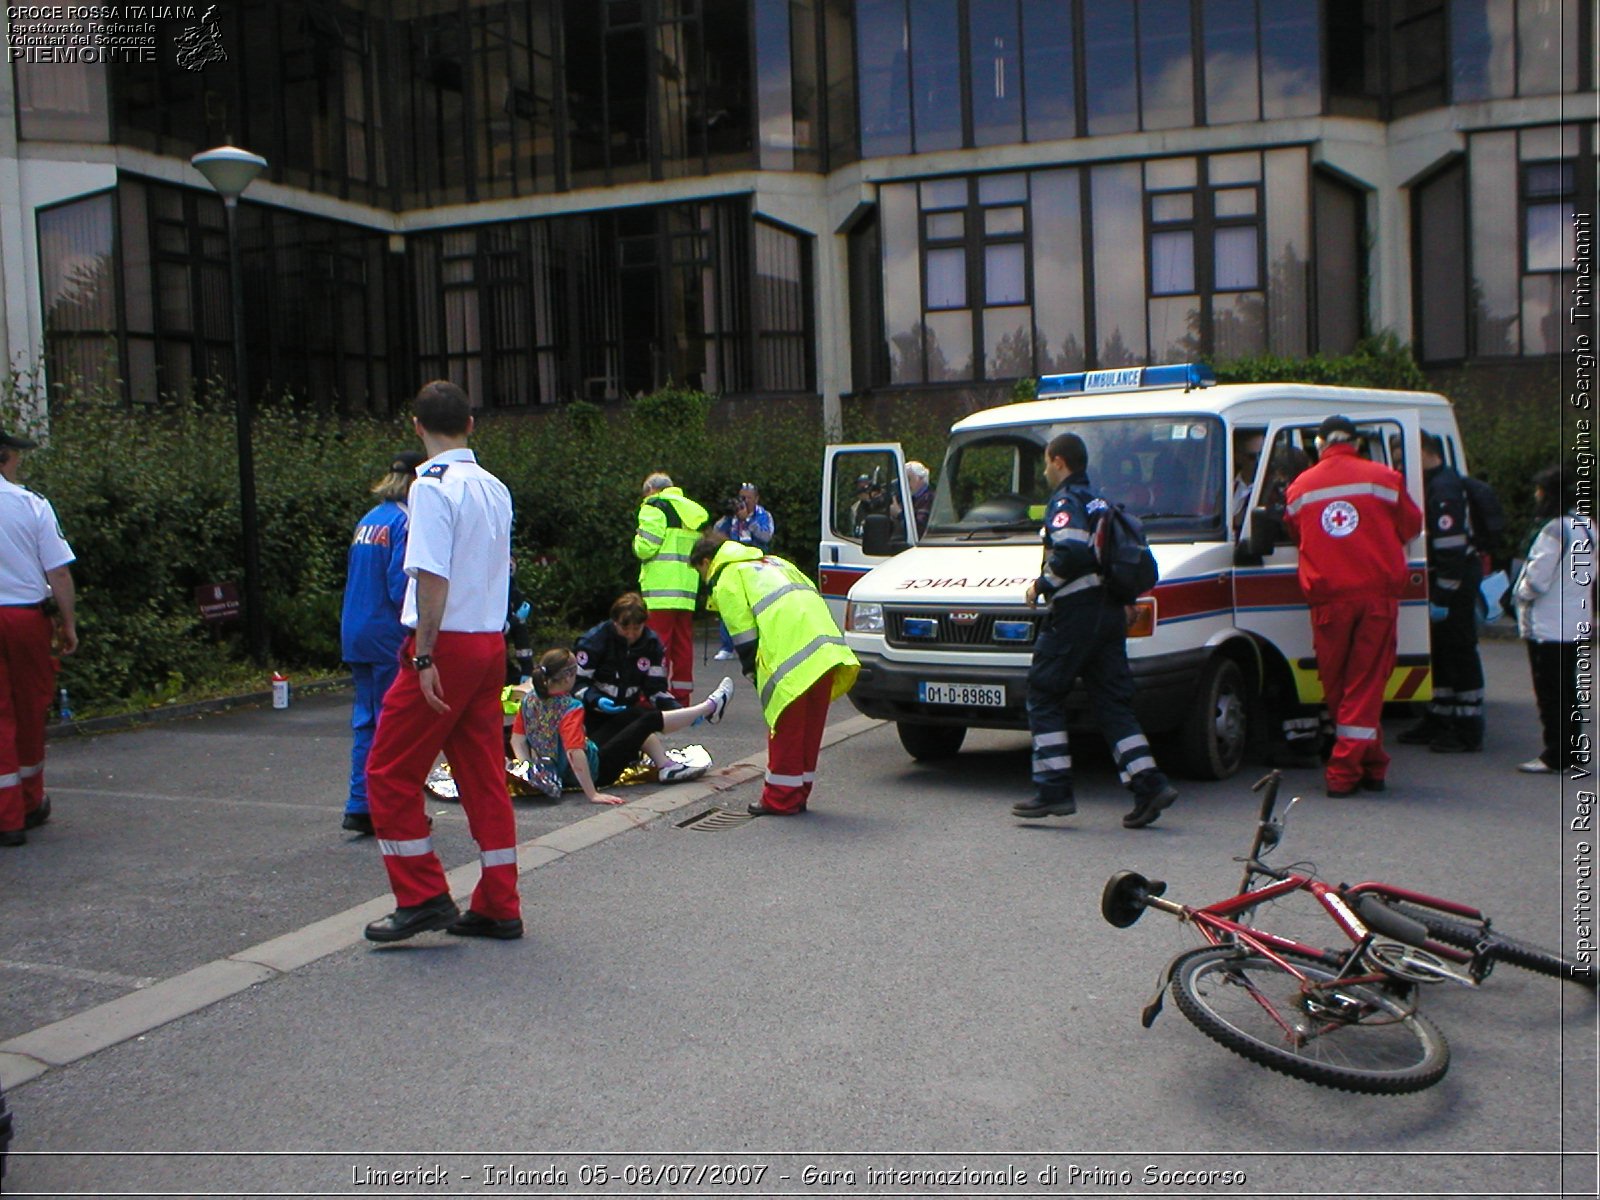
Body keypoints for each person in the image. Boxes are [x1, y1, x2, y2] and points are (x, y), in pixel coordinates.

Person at [362, 380, 522, 943]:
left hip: (446, 643)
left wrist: (423, 653)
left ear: (415, 426)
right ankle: (500, 902)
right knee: (482, 775)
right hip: (488, 643)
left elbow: (431, 573)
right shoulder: (495, 487)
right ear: (471, 424)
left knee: (388, 771)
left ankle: (423, 895)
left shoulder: (431, 486)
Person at [1011, 433, 1179, 829]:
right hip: (1108, 614)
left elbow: (1070, 551)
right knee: (1111, 704)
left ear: (1058, 461)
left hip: (1076, 614)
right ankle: (1149, 784)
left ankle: (1053, 788)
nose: (1046, 469)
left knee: (1044, 691)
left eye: (1048, 461)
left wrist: (1041, 586)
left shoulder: (1066, 502)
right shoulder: (1099, 500)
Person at [1283, 414, 1422, 797]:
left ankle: (1346, 771)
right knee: (1365, 684)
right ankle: (1368, 766)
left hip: (1328, 600)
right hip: (1376, 597)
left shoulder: (1300, 488)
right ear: (1358, 443)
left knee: (1341, 686)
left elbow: (1296, 532)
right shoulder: (1385, 479)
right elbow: (1411, 526)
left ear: (1319, 444)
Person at [689, 531, 858, 815]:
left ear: (706, 561)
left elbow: (743, 636)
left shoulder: (729, 577)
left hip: (791, 657)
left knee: (785, 729)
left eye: (699, 570)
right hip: (824, 650)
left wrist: (753, 672)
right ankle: (798, 793)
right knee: (808, 731)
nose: (702, 578)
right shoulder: (774, 563)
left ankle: (780, 799)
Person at [511, 648, 733, 804]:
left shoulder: (529, 700)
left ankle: (665, 764)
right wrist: (592, 793)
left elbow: (518, 739)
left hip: (562, 765)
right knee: (647, 721)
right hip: (598, 770)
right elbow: (573, 752)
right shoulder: (570, 708)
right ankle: (709, 708)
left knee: (634, 714)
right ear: (568, 676)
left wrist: (530, 769)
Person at [338, 449, 425, 837]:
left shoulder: (369, 520)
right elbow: (401, 584)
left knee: (366, 721)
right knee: (397, 723)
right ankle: (393, 808)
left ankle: (361, 802)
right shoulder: (407, 522)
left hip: (355, 629)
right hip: (387, 632)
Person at [0, 426, 78, 847]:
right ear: (3, 458)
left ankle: (5, 814)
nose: (18, 462)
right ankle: (29, 802)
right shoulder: (30, 504)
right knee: (30, 707)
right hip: (26, 619)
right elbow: (59, 571)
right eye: (14, 455)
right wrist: (68, 624)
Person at [1397, 433, 1485, 753]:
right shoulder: (1433, 483)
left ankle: (1467, 729)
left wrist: (1444, 595)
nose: (1399, 463)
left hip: (1455, 579)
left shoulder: (1443, 487)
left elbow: (1450, 547)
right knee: (1442, 652)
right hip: (1445, 578)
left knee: (1460, 651)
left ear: (1424, 451)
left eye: (1403, 454)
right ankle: (1439, 716)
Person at [1513, 466, 1592, 774]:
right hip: (1575, 618)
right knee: (1568, 690)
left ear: (1546, 494)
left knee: (1550, 693)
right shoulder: (1585, 525)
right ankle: (1573, 749)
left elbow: (1537, 578)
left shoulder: (1552, 530)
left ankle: (1555, 754)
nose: (1535, 495)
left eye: (1538, 490)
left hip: (1547, 623)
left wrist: (1519, 594)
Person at [633, 472, 709, 705]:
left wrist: (636, 541)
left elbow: (646, 547)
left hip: (660, 589)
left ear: (651, 490)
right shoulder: (690, 511)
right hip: (686, 589)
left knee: (656, 644)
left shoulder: (654, 506)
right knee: (682, 645)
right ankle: (682, 697)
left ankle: (652, 695)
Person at [574, 592, 678, 737]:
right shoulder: (593, 642)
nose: (630, 634)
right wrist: (596, 700)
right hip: (591, 713)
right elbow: (576, 683)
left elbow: (655, 689)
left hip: (627, 711)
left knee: (644, 724)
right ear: (614, 622)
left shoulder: (652, 645)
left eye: (636, 629)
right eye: (625, 628)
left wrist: (676, 708)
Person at [712, 482, 774, 660]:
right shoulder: (733, 515)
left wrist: (748, 520)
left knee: (756, 605)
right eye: (741, 497)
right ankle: (727, 646)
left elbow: (766, 536)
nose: (744, 501)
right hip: (733, 563)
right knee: (729, 602)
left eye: (747, 498)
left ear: (756, 498)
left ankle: (758, 646)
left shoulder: (763, 515)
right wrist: (728, 515)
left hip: (756, 564)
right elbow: (717, 532)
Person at [1230, 429, 1265, 531]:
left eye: (1262, 456)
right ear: (1239, 457)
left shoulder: (1270, 489)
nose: (1259, 462)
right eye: (1253, 457)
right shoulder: (1227, 487)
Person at [901, 461, 933, 536]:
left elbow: (919, 526)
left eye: (908, 479)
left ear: (921, 478)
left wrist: (899, 514)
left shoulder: (928, 499)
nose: (906, 484)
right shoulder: (912, 498)